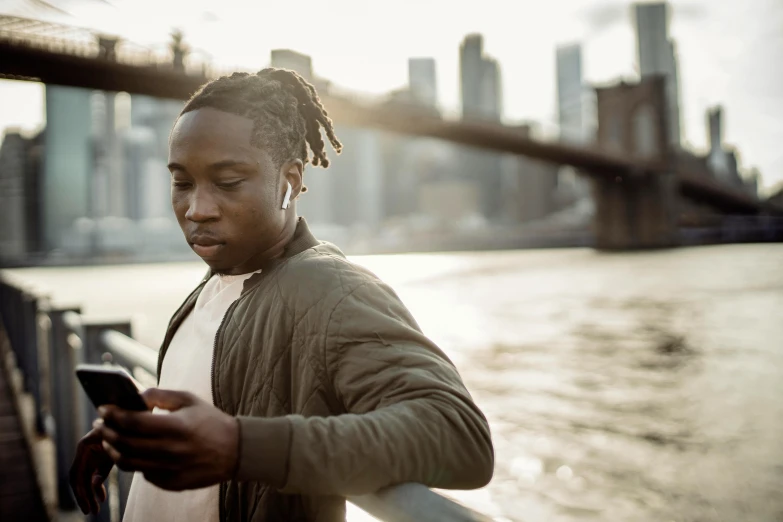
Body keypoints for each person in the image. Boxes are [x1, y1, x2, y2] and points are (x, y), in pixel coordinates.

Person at [70, 68, 494, 522]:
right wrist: (142, 434)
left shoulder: (332, 288)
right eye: (182, 182)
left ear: (290, 182)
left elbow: (460, 435)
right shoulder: (213, 285)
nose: (197, 209)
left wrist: (238, 446)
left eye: (228, 182)